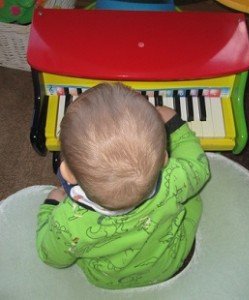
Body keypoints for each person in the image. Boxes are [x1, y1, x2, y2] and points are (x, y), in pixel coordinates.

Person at [36, 83, 210, 289]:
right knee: (192, 202)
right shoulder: (175, 178)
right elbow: (199, 166)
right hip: (167, 261)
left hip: (109, 278)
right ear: (165, 158)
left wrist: (50, 206)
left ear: (67, 173)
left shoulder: (69, 221)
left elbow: (51, 256)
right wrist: (174, 124)